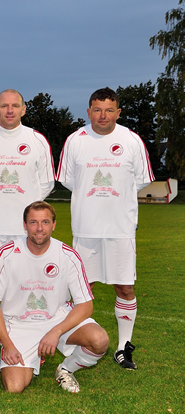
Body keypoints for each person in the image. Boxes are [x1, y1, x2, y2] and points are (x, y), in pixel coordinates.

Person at [57, 87, 154, 370]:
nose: (103, 116)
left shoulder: (131, 140)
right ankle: (77, 339)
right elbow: (69, 180)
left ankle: (123, 348)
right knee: (80, 290)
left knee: (125, 287)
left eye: (109, 110)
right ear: (89, 112)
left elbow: (141, 180)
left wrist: (116, 199)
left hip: (120, 229)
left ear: (118, 113)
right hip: (85, 229)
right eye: (97, 110)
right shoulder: (75, 140)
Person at [0, 201, 109, 393]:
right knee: (14, 387)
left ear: (54, 225)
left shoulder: (67, 255)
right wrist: (7, 344)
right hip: (19, 324)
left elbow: (86, 305)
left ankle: (66, 369)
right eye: (33, 222)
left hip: (57, 318)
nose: (39, 228)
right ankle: (28, 355)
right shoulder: (6, 254)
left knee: (99, 340)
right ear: (25, 225)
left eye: (45, 222)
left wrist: (56, 331)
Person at [0, 89, 55, 363]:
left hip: (26, 231)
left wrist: (27, 212)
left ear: (23, 109)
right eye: (4, 106)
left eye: (14, 106)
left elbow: (46, 183)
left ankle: (28, 341)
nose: (9, 110)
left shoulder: (36, 140)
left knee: (28, 285)